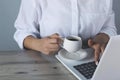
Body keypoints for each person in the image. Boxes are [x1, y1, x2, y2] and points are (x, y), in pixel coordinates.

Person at [14, 0, 117, 64]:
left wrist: (101, 39)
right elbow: (22, 32)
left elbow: (109, 27)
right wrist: (39, 44)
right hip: (48, 64)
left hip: (91, 63)